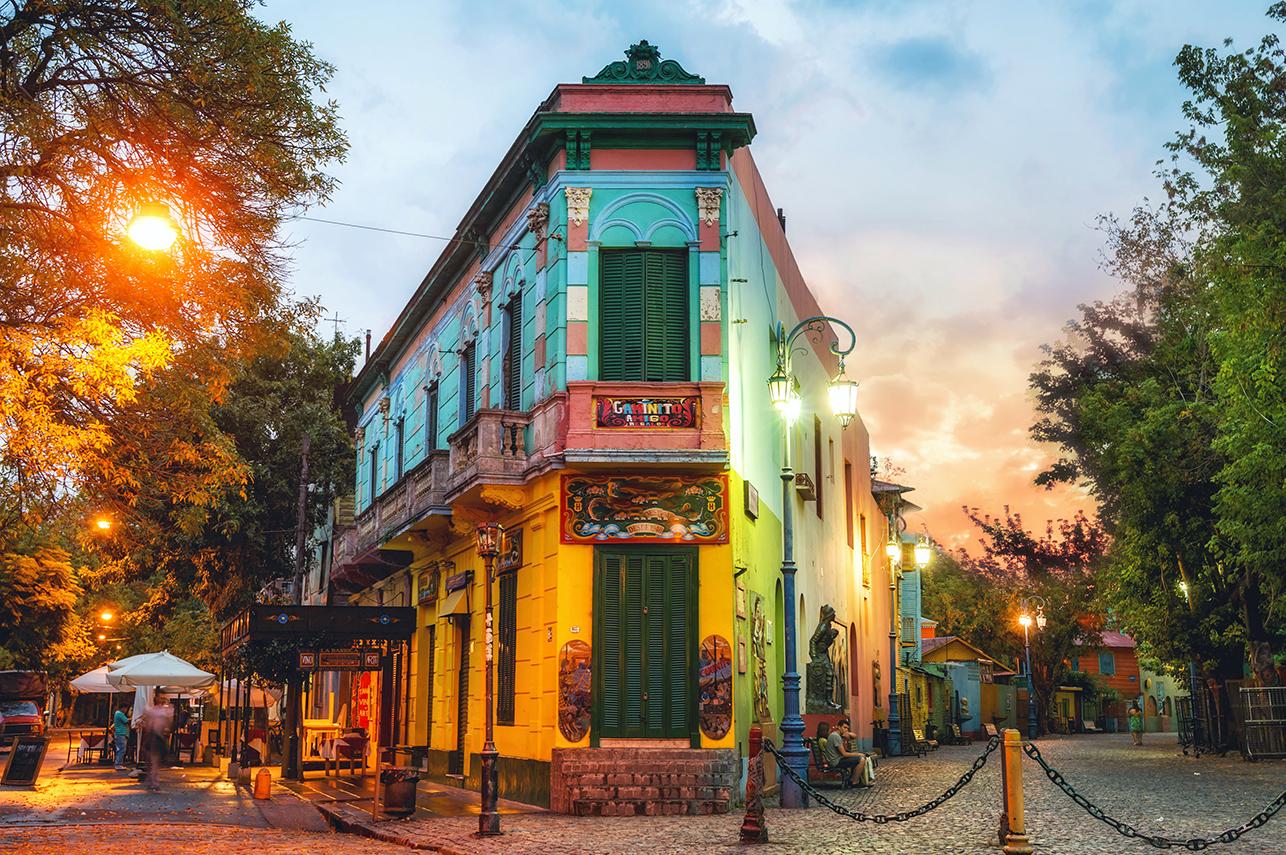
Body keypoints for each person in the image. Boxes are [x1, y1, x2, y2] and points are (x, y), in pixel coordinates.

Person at [141, 692, 174, 791]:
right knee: (154, 761)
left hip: (153, 737)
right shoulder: (161, 711)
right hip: (156, 737)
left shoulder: (153, 711)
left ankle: (152, 780)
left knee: (152, 761)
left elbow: (148, 722)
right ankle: (153, 781)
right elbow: (168, 722)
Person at [112, 701, 131, 770]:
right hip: (121, 733)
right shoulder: (119, 713)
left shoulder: (118, 713)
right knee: (121, 749)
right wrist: (134, 718)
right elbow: (126, 721)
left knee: (121, 749)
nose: (126, 710)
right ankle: (118, 764)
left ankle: (119, 763)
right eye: (126, 708)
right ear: (123, 708)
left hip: (120, 734)